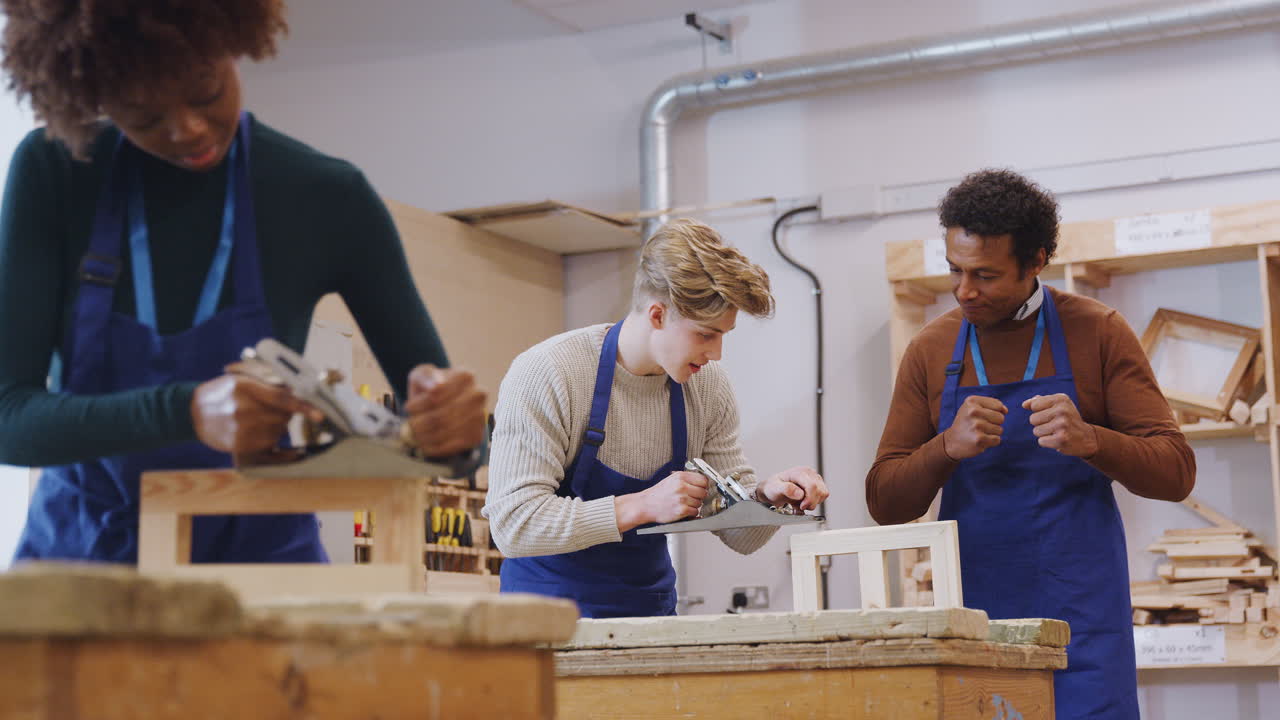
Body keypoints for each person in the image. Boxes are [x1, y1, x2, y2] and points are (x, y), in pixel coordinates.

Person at [0, 0, 486, 565]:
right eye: (142, 114)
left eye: (206, 90)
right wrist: (185, 412)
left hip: (262, 583)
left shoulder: (326, 197)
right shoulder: (57, 171)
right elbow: (10, 419)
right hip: (80, 572)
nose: (188, 129)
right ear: (95, 96)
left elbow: (450, 449)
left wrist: (453, 429)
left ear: (232, 42)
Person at [866, 169, 1195, 719]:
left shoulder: (1098, 331)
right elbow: (885, 500)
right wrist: (945, 447)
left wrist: (1093, 441)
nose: (965, 290)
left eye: (986, 275)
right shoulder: (931, 347)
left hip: (1083, 622)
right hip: (976, 622)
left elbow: (1176, 472)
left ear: (1037, 260)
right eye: (955, 270)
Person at [484, 218, 829, 618]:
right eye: (705, 334)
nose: (716, 353)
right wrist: (643, 505)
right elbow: (513, 525)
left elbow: (740, 536)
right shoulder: (549, 373)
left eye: (723, 335)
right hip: (544, 627)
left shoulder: (707, 387)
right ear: (657, 314)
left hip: (651, 618)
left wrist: (766, 499)